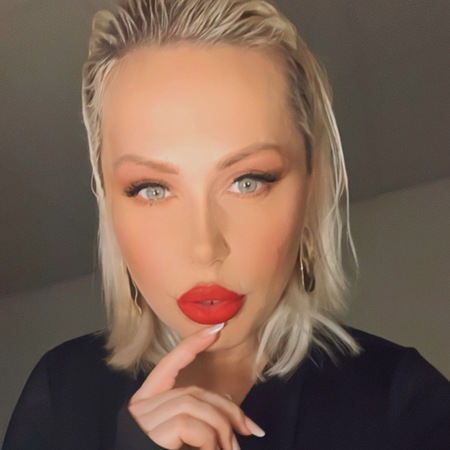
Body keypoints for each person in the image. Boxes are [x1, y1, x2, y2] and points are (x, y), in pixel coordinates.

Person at [3, 0, 450, 449]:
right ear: (107, 200)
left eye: (247, 181)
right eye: (152, 189)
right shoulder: (61, 392)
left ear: (310, 188)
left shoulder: (401, 401)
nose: (205, 247)